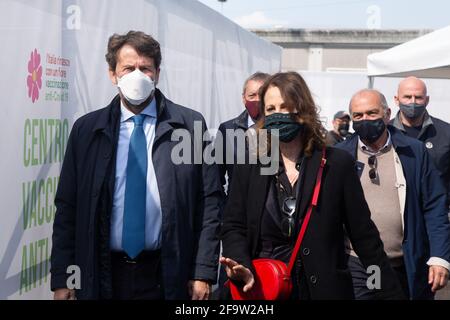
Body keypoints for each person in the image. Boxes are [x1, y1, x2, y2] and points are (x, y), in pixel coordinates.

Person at [50, 31, 222, 300]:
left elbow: (209, 203)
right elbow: (67, 209)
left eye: (145, 68)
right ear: (112, 74)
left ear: (157, 73)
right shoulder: (86, 130)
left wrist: (201, 272)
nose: (137, 75)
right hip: (103, 273)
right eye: (128, 68)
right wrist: (65, 277)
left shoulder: (190, 127)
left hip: (166, 274)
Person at [220, 72, 404, 300]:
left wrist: (388, 292)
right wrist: (241, 264)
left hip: (322, 290)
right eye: (270, 109)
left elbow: (364, 237)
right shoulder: (250, 167)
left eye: (285, 106)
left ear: (302, 110)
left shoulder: (336, 164)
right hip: (264, 288)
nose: (278, 114)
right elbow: (233, 225)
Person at [336, 89, 450, 299]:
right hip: (364, 263)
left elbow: (434, 206)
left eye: (372, 113)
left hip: (407, 262)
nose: (365, 120)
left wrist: (439, 257)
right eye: (358, 116)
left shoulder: (414, 151)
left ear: (387, 114)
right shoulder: (342, 155)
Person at [391, 76, 450, 209]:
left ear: (427, 100)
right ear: (396, 99)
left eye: (418, 97)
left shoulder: (445, 133)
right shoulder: (386, 133)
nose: (413, 102)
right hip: (398, 213)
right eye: (407, 96)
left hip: (437, 213)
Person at [217, 72, 270, 192]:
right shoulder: (227, 130)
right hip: (236, 207)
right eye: (252, 95)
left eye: (262, 95)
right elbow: (215, 178)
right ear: (243, 98)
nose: (257, 100)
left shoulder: (280, 130)